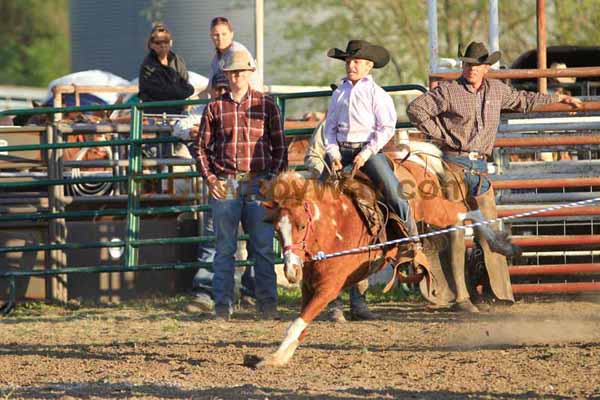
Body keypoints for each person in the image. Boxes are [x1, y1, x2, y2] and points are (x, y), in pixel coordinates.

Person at [407, 41, 582, 312]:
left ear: (486, 68)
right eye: (467, 65)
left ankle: (496, 294)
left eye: (476, 65)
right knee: (454, 231)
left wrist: (559, 98)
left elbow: (526, 100)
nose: (471, 69)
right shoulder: (449, 90)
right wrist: (442, 135)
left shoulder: (498, 91)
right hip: (453, 164)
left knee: (489, 231)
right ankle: (460, 297)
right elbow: (416, 109)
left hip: (479, 169)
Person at [196, 50, 287, 321]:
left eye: (241, 71)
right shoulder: (214, 107)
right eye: (233, 72)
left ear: (250, 73)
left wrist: (272, 178)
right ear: (227, 74)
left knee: (262, 247)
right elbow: (201, 147)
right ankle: (222, 306)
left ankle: (267, 306)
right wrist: (211, 178)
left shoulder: (266, 104)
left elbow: (280, 146)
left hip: (258, 180)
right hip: (227, 181)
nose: (237, 76)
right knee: (225, 248)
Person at [304, 118, 378, 322]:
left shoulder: (368, 125)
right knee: (331, 250)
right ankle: (334, 303)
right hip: (331, 194)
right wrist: (327, 174)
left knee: (361, 244)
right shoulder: (327, 125)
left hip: (359, 190)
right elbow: (312, 156)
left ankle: (359, 301)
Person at [138, 22, 194, 115]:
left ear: (171, 42)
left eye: (166, 41)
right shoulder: (148, 66)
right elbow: (163, 92)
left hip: (178, 113)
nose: (163, 45)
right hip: (156, 115)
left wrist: (187, 90)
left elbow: (186, 86)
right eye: (158, 42)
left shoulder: (178, 60)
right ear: (151, 44)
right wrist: (186, 90)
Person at [208, 16, 261, 90]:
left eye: (224, 34)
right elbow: (210, 85)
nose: (220, 38)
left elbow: (238, 83)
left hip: (249, 96)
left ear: (231, 34)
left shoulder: (237, 52)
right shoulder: (216, 58)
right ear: (211, 36)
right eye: (216, 35)